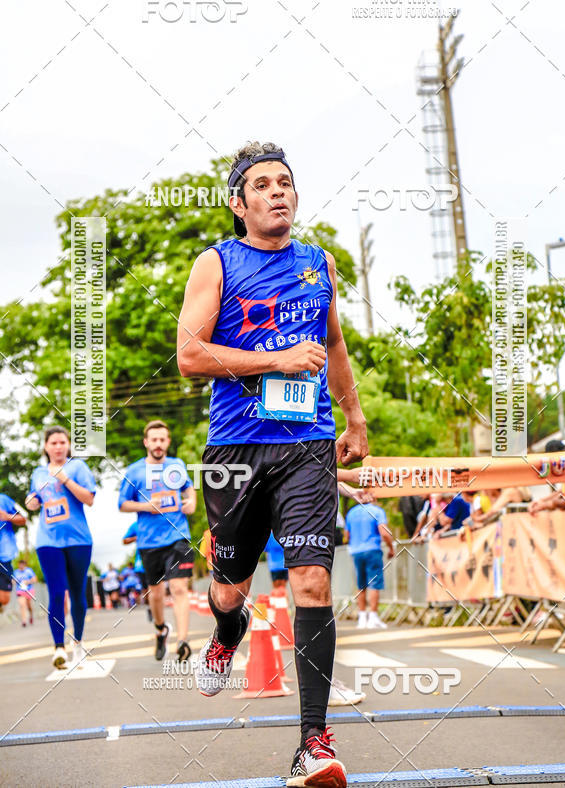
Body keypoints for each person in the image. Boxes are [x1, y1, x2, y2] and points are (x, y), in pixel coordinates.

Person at [177, 141, 368, 788]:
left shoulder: (319, 264)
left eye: (285, 181)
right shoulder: (216, 263)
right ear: (240, 203)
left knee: (311, 580)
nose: (277, 191)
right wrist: (276, 360)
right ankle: (227, 632)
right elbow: (191, 356)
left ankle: (313, 744)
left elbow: (335, 343)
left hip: (307, 446)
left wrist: (355, 416)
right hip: (235, 450)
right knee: (230, 588)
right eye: (261, 184)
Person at [118, 420, 196, 662]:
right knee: (156, 595)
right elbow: (122, 504)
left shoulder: (177, 465)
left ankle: (183, 640)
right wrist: (145, 506)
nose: (158, 444)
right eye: (154, 440)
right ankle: (161, 629)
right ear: (146, 442)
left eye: (163, 439)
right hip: (149, 542)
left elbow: (188, 488)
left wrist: (191, 500)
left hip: (178, 536)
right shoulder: (134, 471)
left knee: (180, 588)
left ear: (168, 442)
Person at [25, 426, 96, 669]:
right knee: (56, 592)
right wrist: (31, 501)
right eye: (53, 443)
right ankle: (58, 647)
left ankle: (78, 643)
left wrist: (65, 479)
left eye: (62, 442)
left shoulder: (78, 467)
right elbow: (34, 499)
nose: (57, 447)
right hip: (48, 541)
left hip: (79, 540)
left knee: (77, 593)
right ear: (45, 447)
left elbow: (89, 498)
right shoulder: (37, 473)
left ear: (68, 445)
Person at [344, 499, 394, 629]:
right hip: (372, 549)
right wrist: (391, 547)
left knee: (361, 584)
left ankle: (362, 618)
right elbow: (384, 532)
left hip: (356, 551)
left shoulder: (351, 513)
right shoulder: (377, 511)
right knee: (374, 583)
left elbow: (346, 535)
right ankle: (373, 617)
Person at [0, 494, 26, 613]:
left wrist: (7, 517)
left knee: (4, 599)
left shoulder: (5, 500)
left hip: (4, 554)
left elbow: (23, 517)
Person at [123, 521, 152, 619]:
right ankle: (150, 606)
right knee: (146, 589)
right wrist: (136, 538)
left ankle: (154, 605)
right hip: (141, 565)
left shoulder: (156, 521)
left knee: (154, 587)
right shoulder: (136, 525)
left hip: (155, 560)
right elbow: (124, 540)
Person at [14, 559, 37, 626]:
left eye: (22, 564)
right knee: (22, 605)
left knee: (29, 605)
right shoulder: (16, 572)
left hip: (29, 590)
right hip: (20, 591)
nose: (20, 565)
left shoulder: (29, 571)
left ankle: (31, 615)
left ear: (24, 564)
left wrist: (27, 582)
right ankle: (24, 621)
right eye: (19, 564)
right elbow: (13, 580)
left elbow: (35, 579)